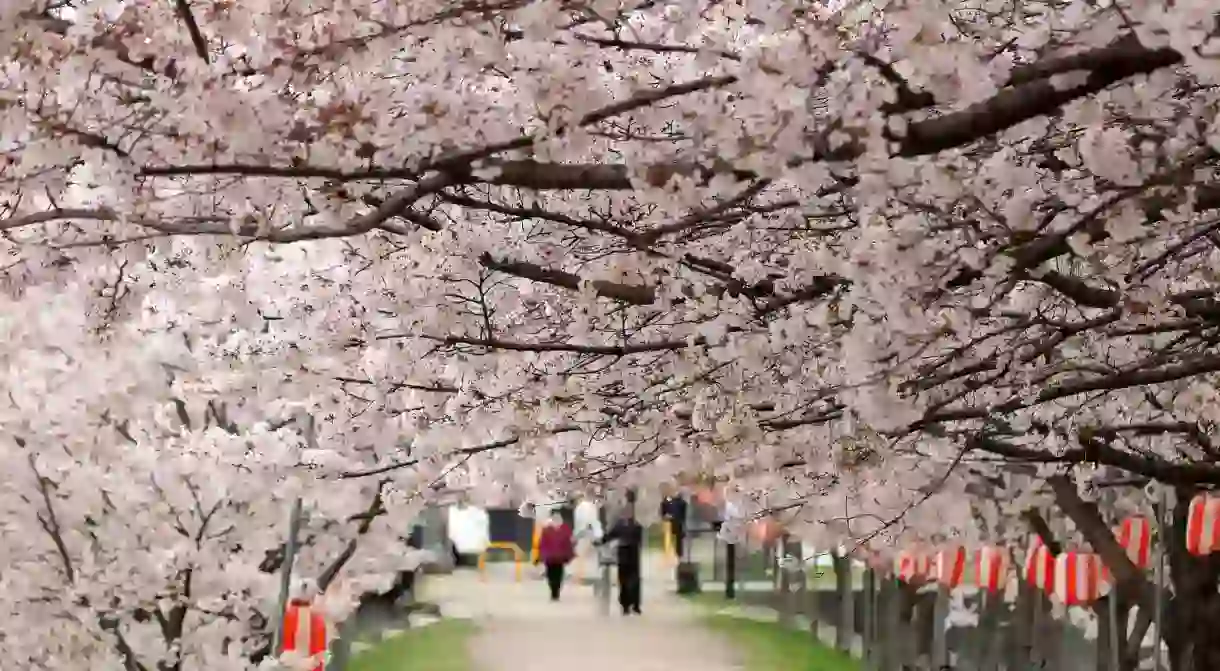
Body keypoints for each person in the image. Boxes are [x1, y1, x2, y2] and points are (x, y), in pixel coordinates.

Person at [598, 509, 644, 615]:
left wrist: (602, 541)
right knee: (625, 581)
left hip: (631, 555)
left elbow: (639, 541)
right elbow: (609, 536)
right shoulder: (622, 525)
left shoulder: (635, 525)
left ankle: (634, 604)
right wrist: (601, 541)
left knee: (633, 581)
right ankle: (626, 605)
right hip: (625, 555)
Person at [536, 511, 575, 601]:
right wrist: (542, 554)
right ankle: (554, 591)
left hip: (559, 558)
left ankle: (555, 591)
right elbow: (543, 543)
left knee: (558, 575)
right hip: (550, 558)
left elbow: (568, 543)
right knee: (551, 575)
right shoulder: (547, 530)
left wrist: (569, 554)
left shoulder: (564, 529)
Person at [660, 489, 688, 559]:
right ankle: (677, 553)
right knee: (676, 538)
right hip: (676, 522)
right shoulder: (680, 502)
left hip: (674, 522)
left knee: (673, 538)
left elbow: (664, 510)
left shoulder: (676, 502)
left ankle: (673, 552)